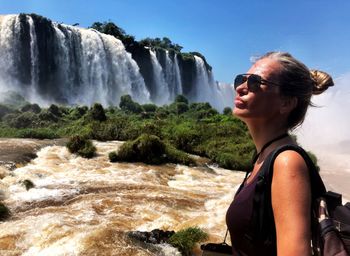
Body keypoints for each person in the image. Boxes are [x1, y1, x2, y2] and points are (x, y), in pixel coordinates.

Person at [225, 51, 334, 256]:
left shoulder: (287, 163)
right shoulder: (263, 157)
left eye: (255, 82)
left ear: (286, 103)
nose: (240, 87)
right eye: (240, 79)